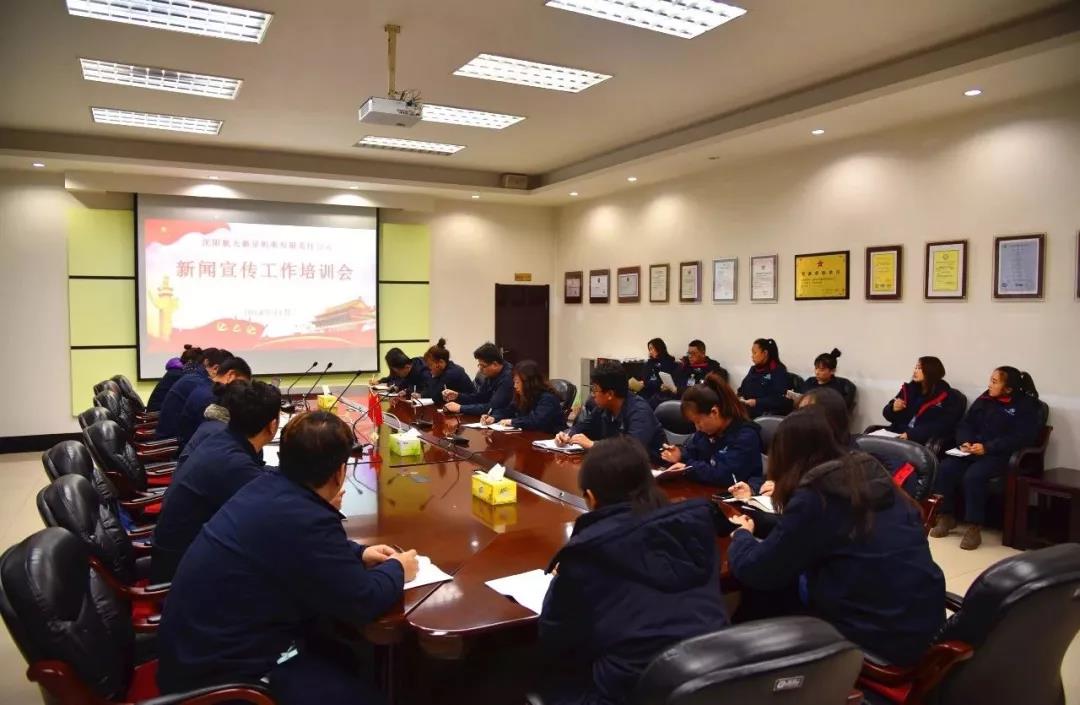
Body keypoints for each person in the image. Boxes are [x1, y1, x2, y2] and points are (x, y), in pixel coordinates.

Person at [157, 411, 419, 704]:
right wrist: (398, 568)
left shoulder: (267, 486)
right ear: (339, 472)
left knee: (341, 653)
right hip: (225, 679)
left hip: (195, 651)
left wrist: (359, 552)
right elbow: (364, 601)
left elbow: (295, 547)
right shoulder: (306, 517)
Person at [727, 408, 945, 666]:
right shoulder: (868, 474)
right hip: (922, 622)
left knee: (767, 586)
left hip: (875, 638)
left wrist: (742, 536)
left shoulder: (817, 494)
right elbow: (824, 530)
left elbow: (758, 570)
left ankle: (745, 663)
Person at [537, 437, 729, 705]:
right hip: (711, 683)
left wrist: (562, 580)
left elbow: (554, 637)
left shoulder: (587, 554)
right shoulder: (693, 529)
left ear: (591, 497)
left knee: (543, 678)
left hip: (626, 694)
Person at [151, 380, 280, 583]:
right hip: (181, 571)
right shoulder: (235, 464)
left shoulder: (221, 438)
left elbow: (259, 476)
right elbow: (273, 515)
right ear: (272, 425)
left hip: (176, 553)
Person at [930, 367, 1041, 550]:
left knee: (974, 476)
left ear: (1008, 389)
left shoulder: (1026, 406)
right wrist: (965, 441)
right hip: (973, 450)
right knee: (945, 468)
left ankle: (974, 527)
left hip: (1000, 455)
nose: (989, 385)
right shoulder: (985, 399)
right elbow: (966, 424)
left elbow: (1021, 438)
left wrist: (988, 447)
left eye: (994, 382)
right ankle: (946, 516)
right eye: (990, 380)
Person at [660, 372, 764, 489]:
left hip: (735, 495)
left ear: (714, 412)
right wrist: (680, 454)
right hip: (704, 490)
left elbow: (725, 475)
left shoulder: (745, 435)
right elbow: (692, 453)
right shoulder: (705, 432)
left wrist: (689, 468)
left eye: (698, 421)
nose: (697, 427)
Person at [557, 361, 667, 462]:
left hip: (652, 469)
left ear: (610, 394)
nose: (592, 394)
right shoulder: (603, 407)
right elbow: (582, 427)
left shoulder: (639, 411)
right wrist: (567, 435)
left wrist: (594, 445)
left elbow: (633, 451)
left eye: (595, 389)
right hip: (616, 465)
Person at [881, 356, 964, 444]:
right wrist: (893, 409)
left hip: (920, 441)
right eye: (915, 367)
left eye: (919, 368)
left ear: (931, 371)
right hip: (896, 434)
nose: (915, 371)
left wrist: (912, 434)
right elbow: (886, 413)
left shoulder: (948, 396)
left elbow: (944, 424)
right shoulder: (908, 389)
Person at [176, 356, 252, 450]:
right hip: (195, 451)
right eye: (242, 384)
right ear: (231, 375)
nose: (242, 390)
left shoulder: (205, 388)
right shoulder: (212, 398)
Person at [155, 347, 231, 439]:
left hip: (174, 435)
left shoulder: (194, 377)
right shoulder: (200, 384)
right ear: (215, 368)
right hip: (172, 440)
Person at [484, 359, 566, 434]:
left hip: (550, 437)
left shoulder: (548, 398)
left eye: (517, 382)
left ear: (528, 383)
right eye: (514, 382)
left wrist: (512, 422)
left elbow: (536, 421)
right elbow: (510, 410)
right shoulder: (523, 395)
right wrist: (494, 417)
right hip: (530, 435)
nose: (515, 386)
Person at [443, 342, 514, 417]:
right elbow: (479, 398)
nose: (480, 369)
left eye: (483, 366)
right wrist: (458, 396)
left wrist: (460, 408)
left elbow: (491, 408)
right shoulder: (491, 374)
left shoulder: (508, 378)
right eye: (479, 365)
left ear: (495, 364)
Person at [737, 338, 793, 418]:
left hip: (766, 414)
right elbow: (742, 388)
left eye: (755, 353)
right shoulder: (753, 369)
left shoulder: (778, 371)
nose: (752, 356)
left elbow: (779, 399)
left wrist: (756, 402)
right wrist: (740, 396)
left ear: (765, 353)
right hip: (747, 411)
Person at [787, 348, 856, 410]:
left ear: (832, 371)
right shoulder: (810, 381)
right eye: (816, 368)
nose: (817, 372)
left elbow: (836, 410)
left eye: (821, 370)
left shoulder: (837, 387)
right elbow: (800, 399)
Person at [629, 337, 680, 408]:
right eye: (649, 349)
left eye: (652, 349)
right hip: (647, 391)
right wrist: (639, 383)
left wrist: (645, 383)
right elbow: (644, 378)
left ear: (659, 348)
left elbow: (663, 382)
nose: (650, 352)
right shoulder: (649, 363)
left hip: (660, 393)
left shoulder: (669, 362)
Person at [146, 344, 198, 412]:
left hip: (159, 410)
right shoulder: (179, 375)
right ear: (191, 362)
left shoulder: (177, 372)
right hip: (158, 412)